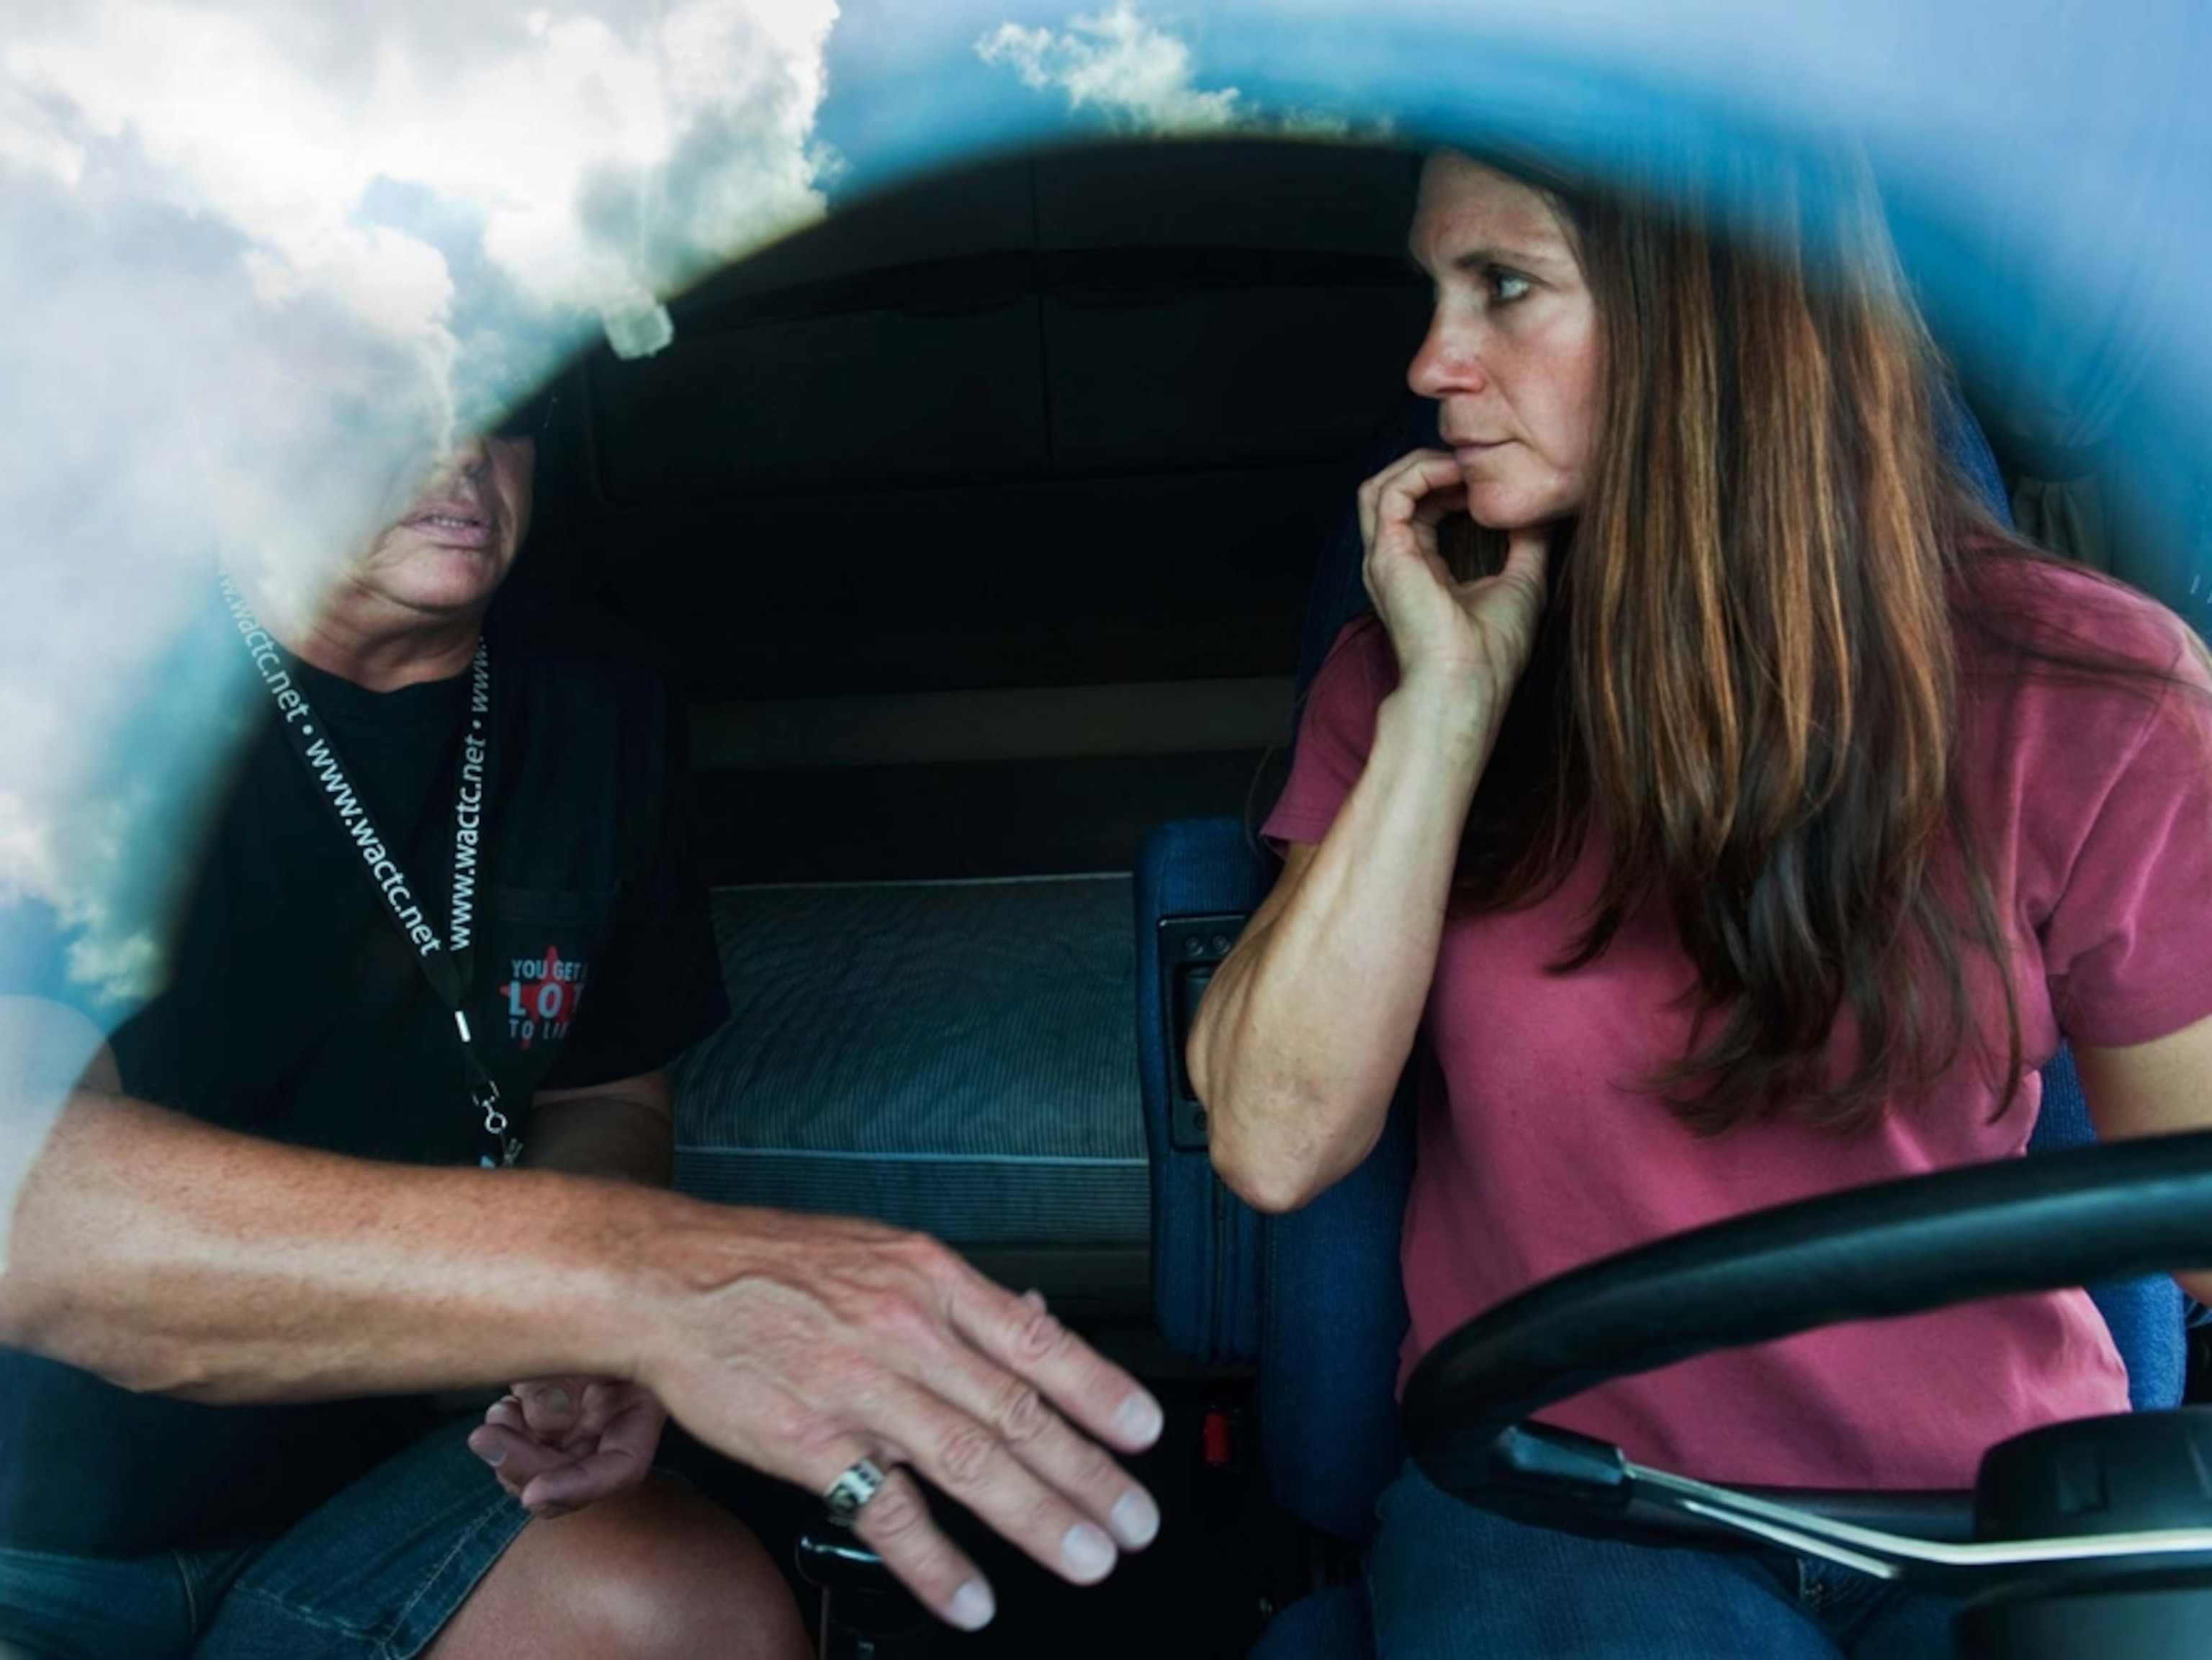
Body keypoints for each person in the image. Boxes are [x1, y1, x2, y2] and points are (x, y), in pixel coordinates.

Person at [1188, 140, 2212, 1659]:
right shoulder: (1401, 686)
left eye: (1506, 288)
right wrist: (1450, 712)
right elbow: (1274, 1141)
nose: (1430, 361)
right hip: (1567, 1512)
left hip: (1994, 1518)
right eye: (1436, 288)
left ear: (1711, 322)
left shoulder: (2092, 694)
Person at [0, 404, 1164, 1658]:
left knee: (687, 1614)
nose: (460, 451)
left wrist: (575, 1341)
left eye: (504, 403)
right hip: (31, 1543)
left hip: (359, 1501)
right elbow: (35, 1209)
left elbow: (603, 1093)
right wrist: (637, 1280)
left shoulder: (596, 703)